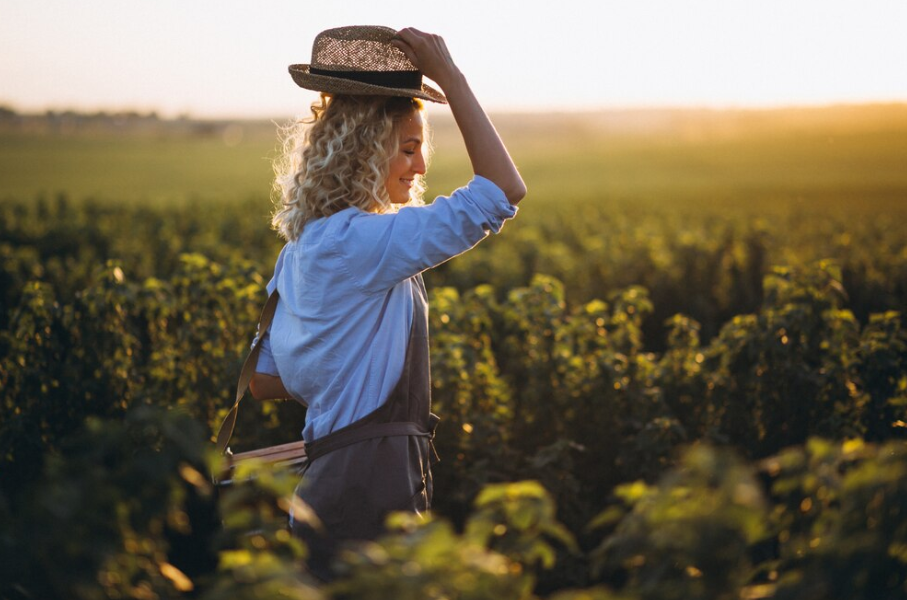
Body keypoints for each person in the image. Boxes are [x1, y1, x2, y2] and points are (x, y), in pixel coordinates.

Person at [247, 25, 526, 579]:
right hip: (368, 487)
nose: (421, 167)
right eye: (408, 148)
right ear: (364, 147)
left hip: (327, 478)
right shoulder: (359, 243)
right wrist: (451, 78)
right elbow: (500, 191)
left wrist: (345, 371)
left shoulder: (300, 250)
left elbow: (262, 380)